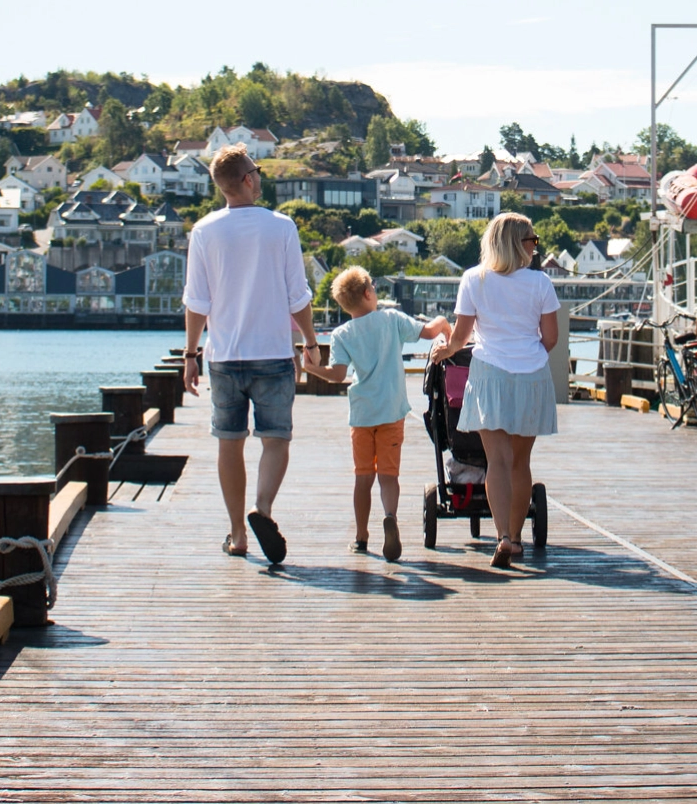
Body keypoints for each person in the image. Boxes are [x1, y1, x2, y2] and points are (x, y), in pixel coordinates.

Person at [182, 144, 318, 566]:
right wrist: (310, 342)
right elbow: (298, 296)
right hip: (273, 353)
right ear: (246, 179)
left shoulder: (204, 231)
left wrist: (190, 354)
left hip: (223, 356)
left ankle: (239, 534)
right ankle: (263, 509)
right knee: (275, 438)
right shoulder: (281, 227)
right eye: (256, 171)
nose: (260, 177)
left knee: (229, 443)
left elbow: (196, 302)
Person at [430, 212, 559, 568]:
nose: (535, 247)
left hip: (489, 374)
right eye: (532, 241)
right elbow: (551, 339)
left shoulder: (474, 279)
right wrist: (527, 354)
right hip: (531, 374)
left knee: (497, 462)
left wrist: (446, 351)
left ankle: (501, 536)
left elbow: (461, 337)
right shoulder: (540, 283)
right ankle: (517, 540)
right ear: (518, 244)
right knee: (521, 462)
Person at [303, 267, 449, 560]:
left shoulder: (342, 333)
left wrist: (310, 368)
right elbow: (429, 332)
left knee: (363, 477)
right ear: (369, 293)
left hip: (361, 415)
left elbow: (338, 373)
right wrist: (444, 323)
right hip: (392, 412)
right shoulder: (391, 319)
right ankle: (390, 517)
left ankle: (360, 537)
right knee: (388, 476)